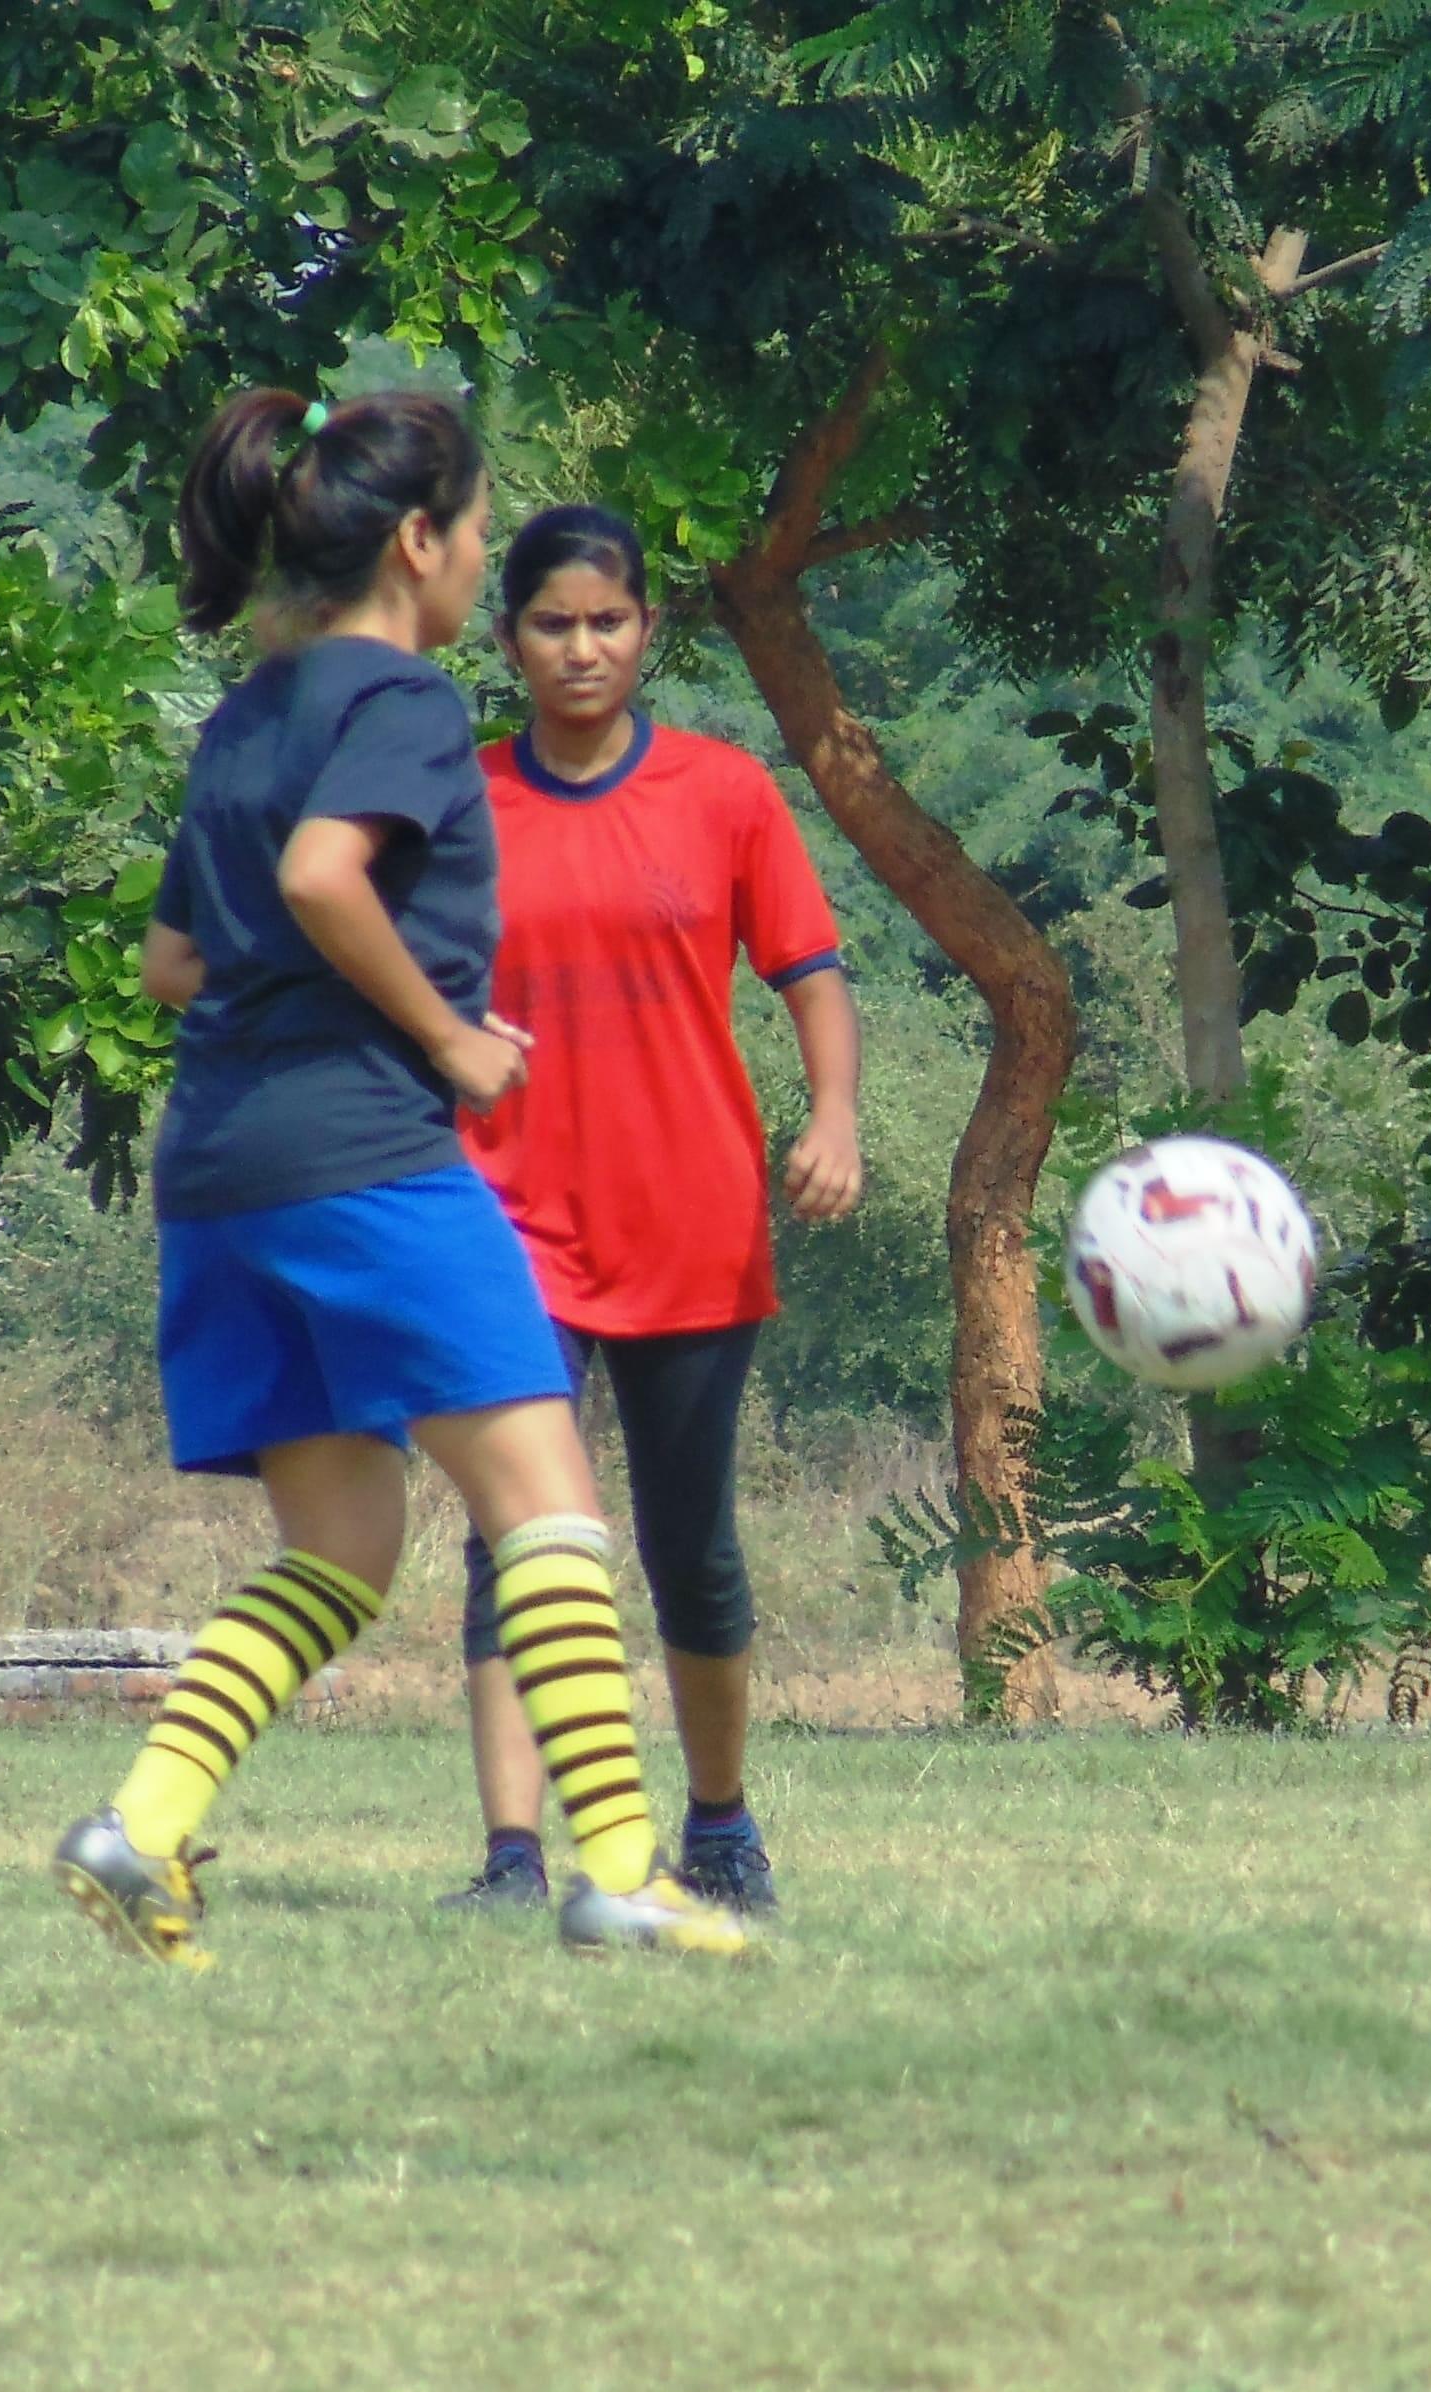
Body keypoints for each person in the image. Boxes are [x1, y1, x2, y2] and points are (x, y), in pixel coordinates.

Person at [50, 391, 747, 1967]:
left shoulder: (251, 711)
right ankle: (629, 1877)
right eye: (483, 532)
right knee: (549, 1510)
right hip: (366, 1157)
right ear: (421, 544)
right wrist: (447, 1036)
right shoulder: (408, 702)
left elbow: (176, 959)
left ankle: (139, 1833)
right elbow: (320, 875)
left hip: (221, 1167)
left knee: (344, 1550)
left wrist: (363, 995)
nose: (481, 560)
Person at [436, 504, 863, 1919]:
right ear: (506, 641)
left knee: (689, 1543)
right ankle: (511, 1858)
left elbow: (810, 970)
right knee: (518, 1543)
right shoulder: (456, 800)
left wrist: (837, 1119)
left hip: (690, 1221)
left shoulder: (725, 792)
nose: (580, 648)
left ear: (647, 633)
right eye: (551, 624)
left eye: (606, 621)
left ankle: (724, 1828)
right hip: (504, 1227)